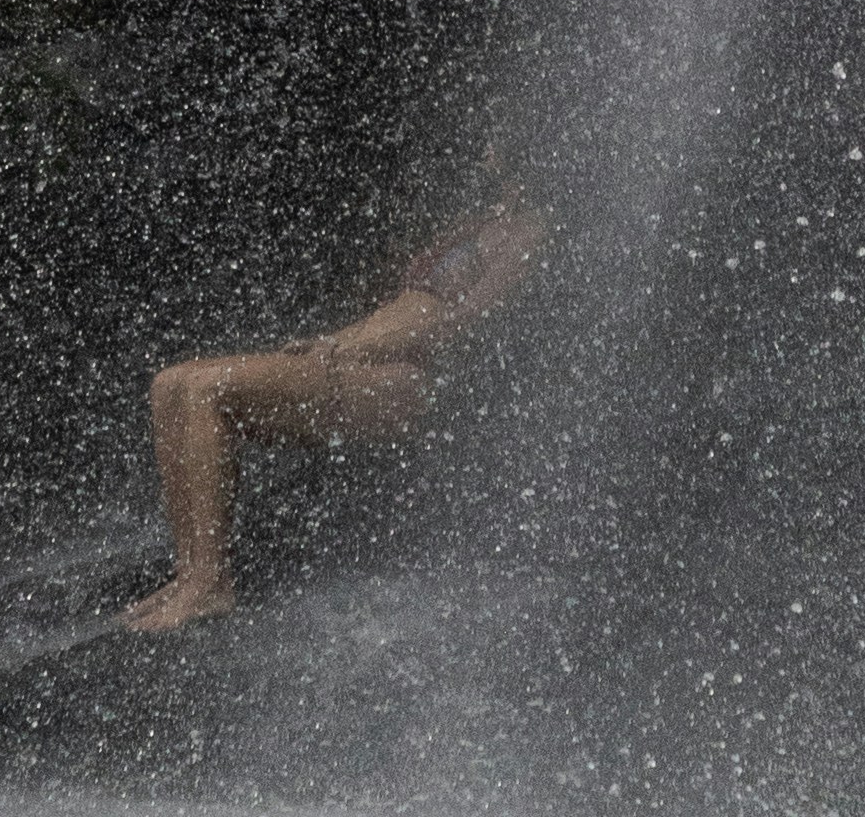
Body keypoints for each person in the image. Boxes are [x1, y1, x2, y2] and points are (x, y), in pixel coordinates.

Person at [120, 191, 546, 634]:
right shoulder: (480, 217)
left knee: (208, 390)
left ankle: (211, 583)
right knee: (170, 384)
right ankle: (189, 573)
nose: (489, 150)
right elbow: (396, 312)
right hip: (366, 354)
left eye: (498, 141)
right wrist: (335, 341)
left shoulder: (529, 231)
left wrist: (350, 350)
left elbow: (461, 327)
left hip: (407, 377)